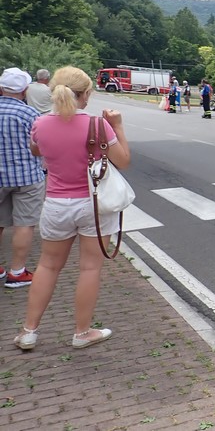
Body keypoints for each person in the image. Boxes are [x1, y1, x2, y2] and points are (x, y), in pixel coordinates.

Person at [14, 66, 131, 351]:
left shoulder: (40, 123)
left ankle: (29, 331)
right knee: (90, 268)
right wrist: (117, 126)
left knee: (48, 266)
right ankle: (82, 332)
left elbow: (36, 150)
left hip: (56, 204)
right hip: (94, 205)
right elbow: (123, 160)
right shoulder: (97, 125)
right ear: (86, 94)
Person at [0, 67, 45, 289]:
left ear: (1, 88)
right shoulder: (30, 114)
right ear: (25, 90)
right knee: (24, 224)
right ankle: (17, 272)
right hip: (27, 176)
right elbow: (40, 146)